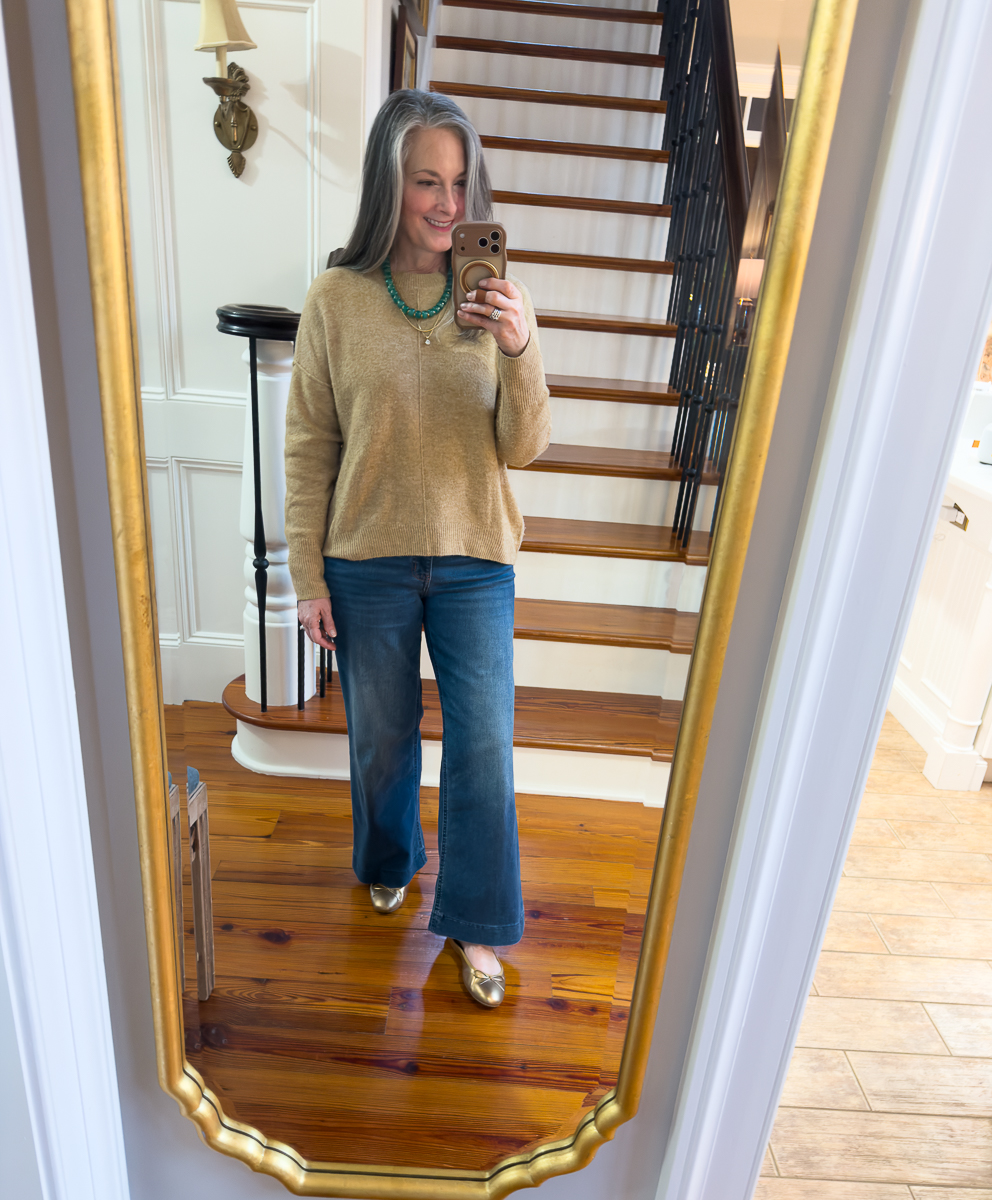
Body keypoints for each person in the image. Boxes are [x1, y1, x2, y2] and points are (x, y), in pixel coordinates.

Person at [283, 89, 551, 1008]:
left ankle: (475, 922)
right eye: (426, 181)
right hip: (368, 562)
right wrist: (307, 573)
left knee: (483, 747)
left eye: (460, 182)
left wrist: (518, 349)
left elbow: (525, 446)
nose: (446, 202)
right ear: (387, 187)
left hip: (477, 560)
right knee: (384, 744)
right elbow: (311, 444)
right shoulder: (335, 300)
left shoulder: (500, 299)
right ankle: (388, 858)